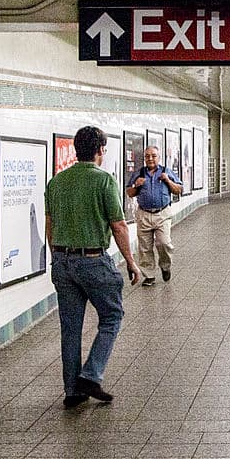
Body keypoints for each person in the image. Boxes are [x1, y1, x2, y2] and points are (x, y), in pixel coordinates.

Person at [46, 126, 142, 406]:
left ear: (77, 150)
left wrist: (60, 256)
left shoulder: (57, 182)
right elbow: (119, 225)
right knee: (112, 316)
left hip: (63, 263)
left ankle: (72, 391)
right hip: (93, 261)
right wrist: (131, 262)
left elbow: (50, 224)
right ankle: (91, 374)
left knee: (70, 328)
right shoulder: (104, 181)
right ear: (100, 150)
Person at [126, 144, 183, 286]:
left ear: (159, 157)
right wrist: (136, 186)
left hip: (162, 213)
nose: (150, 159)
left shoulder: (166, 171)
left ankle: (165, 266)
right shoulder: (139, 173)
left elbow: (179, 189)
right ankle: (149, 275)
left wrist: (168, 180)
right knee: (144, 246)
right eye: (147, 156)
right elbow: (129, 193)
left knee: (164, 243)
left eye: (153, 156)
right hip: (144, 213)